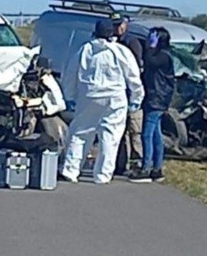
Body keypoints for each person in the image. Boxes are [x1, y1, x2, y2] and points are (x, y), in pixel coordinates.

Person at [59, 19, 144, 184]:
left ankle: (70, 170)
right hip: (115, 97)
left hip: (89, 95)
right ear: (111, 33)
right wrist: (136, 98)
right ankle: (103, 175)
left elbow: (71, 73)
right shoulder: (121, 51)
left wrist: (69, 96)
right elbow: (133, 77)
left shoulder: (85, 50)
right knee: (110, 136)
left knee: (80, 133)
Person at [129, 27, 175, 183]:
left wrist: (150, 48)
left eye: (152, 37)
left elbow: (150, 61)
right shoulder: (162, 55)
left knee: (146, 134)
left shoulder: (163, 56)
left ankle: (146, 168)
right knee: (156, 134)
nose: (149, 39)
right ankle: (157, 168)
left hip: (157, 99)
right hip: (154, 98)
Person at [110, 13, 144, 177]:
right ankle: (120, 163)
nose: (117, 28)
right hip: (117, 95)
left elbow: (137, 69)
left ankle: (137, 163)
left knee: (135, 131)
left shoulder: (131, 42)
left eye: (120, 24)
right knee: (119, 132)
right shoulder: (110, 43)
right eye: (114, 25)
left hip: (132, 94)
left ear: (126, 24)